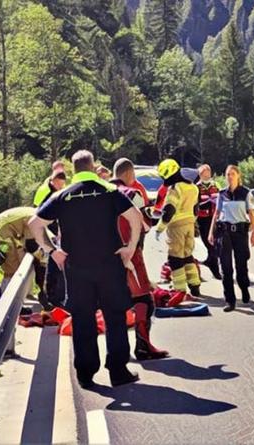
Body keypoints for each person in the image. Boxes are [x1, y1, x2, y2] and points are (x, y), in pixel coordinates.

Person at [28, 150, 141, 389]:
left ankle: (86, 374)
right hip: (109, 265)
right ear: (93, 166)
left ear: (74, 169)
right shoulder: (110, 192)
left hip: (77, 269)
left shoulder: (62, 196)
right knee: (115, 316)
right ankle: (118, 371)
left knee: (82, 319)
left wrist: (52, 251)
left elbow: (35, 224)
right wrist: (129, 248)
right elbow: (135, 217)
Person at [111, 158, 168, 360]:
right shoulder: (131, 194)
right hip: (130, 252)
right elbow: (145, 224)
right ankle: (143, 347)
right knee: (144, 300)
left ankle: (116, 355)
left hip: (103, 257)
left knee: (112, 304)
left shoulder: (99, 192)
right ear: (128, 174)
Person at [208, 165, 254, 312]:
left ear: (238, 176)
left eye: (232, 174)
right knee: (226, 268)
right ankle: (230, 300)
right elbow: (216, 214)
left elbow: (251, 214)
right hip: (224, 233)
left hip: (240, 233)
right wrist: (211, 233)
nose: (229, 177)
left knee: (241, 265)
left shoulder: (246, 193)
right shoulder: (221, 194)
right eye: (227, 174)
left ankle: (244, 289)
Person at [0, 207, 51, 309]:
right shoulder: (35, 219)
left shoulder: (37, 215)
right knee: (13, 270)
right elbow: (31, 245)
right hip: (0, 237)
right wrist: (42, 260)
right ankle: (7, 305)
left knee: (23, 262)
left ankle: (4, 294)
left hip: (6, 234)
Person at [154, 159, 201, 298]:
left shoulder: (175, 189)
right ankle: (195, 285)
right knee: (188, 256)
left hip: (176, 228)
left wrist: (159, 228)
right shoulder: (193, 187)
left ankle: (179, 290)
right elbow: (196, 209)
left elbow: (169, 211)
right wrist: (193, 223)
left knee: (175, 259)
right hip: (190, 225)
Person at [196, 164, 221, 279]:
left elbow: (222, 199)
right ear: (200, 175)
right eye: (203, 174)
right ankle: (210, 261)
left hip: (214, 218)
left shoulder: (216, 185)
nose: (206, 176)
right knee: (207, 242)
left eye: (208, 173)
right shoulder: (197, 187)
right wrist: (204, 204)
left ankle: (213, 266)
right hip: (202, 218)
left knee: (214, 244)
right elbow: (194, 204)